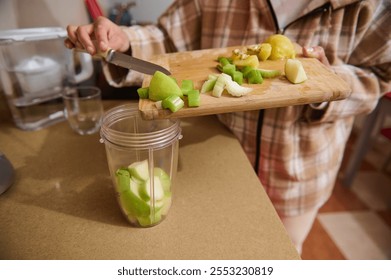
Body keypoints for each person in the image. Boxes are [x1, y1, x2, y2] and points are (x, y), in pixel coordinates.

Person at [65, 0, 391, 254]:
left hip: (299, 174)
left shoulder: (371, 6)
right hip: (215, 159)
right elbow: (168, 38)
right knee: (219, 245)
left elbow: (379, 73)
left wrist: (329, 80)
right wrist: (127, 42)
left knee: (283, 250)